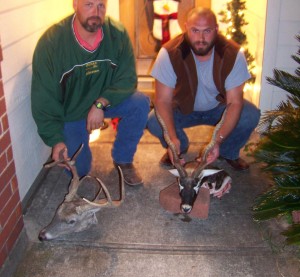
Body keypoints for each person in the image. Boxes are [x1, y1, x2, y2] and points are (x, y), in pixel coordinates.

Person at [31, 0, 150, 186]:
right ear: (75, 4)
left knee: (140, 103)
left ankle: (123, 160)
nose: (96, 11)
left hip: (104, 101)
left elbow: (127, 79)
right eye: (89, 4)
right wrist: (56, 140)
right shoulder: (51, 43)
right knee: (81, 172)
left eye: (101, 5)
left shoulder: (117, 34)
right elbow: (44, 99)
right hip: (72, 111)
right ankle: (78, 155)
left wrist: (100, 103)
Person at [147, 7, 260, 171]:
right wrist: (172, 138)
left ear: (216, 29)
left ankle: (228, 152)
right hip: (183, 109)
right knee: (154, 121)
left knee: (250, 115)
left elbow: (235, 103)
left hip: (219, 109)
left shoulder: (233, 54)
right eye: (195, 30)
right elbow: (162, 101)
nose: (200, 38)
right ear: (186, 28)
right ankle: (179, 147)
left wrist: (217, 141)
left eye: (207, 31)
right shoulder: (169, 53)